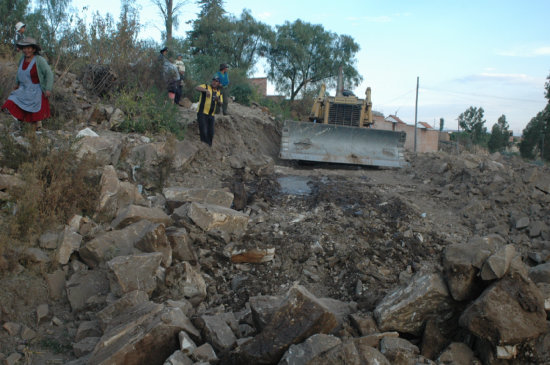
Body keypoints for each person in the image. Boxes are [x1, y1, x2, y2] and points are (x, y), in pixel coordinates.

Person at [1, 37, 53, 131]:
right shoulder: (22, 59)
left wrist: (48, 88)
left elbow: (49, 74)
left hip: (36, 92)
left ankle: (32, 132)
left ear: (33, 49)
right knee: (10, 101)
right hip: (23, 89)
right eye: (24, 48)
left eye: (29, 48)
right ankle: (22, 126)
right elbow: (19, 72)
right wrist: (17, 84)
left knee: (32, 116)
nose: (26, 50)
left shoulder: (39, 60)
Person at [194, 76, 223, 146]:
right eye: (213, 80)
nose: (214, 82)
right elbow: (197, 87)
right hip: (202, 113)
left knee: (211, 133)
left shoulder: (219, 92)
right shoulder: (206, 86)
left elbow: (220, 104)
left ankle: (209, 148)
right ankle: (204, 147)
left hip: (211, 115)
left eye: (216, 81)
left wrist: (217, 100)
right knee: (204, 131)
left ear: (219, 83)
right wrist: (206, 91)